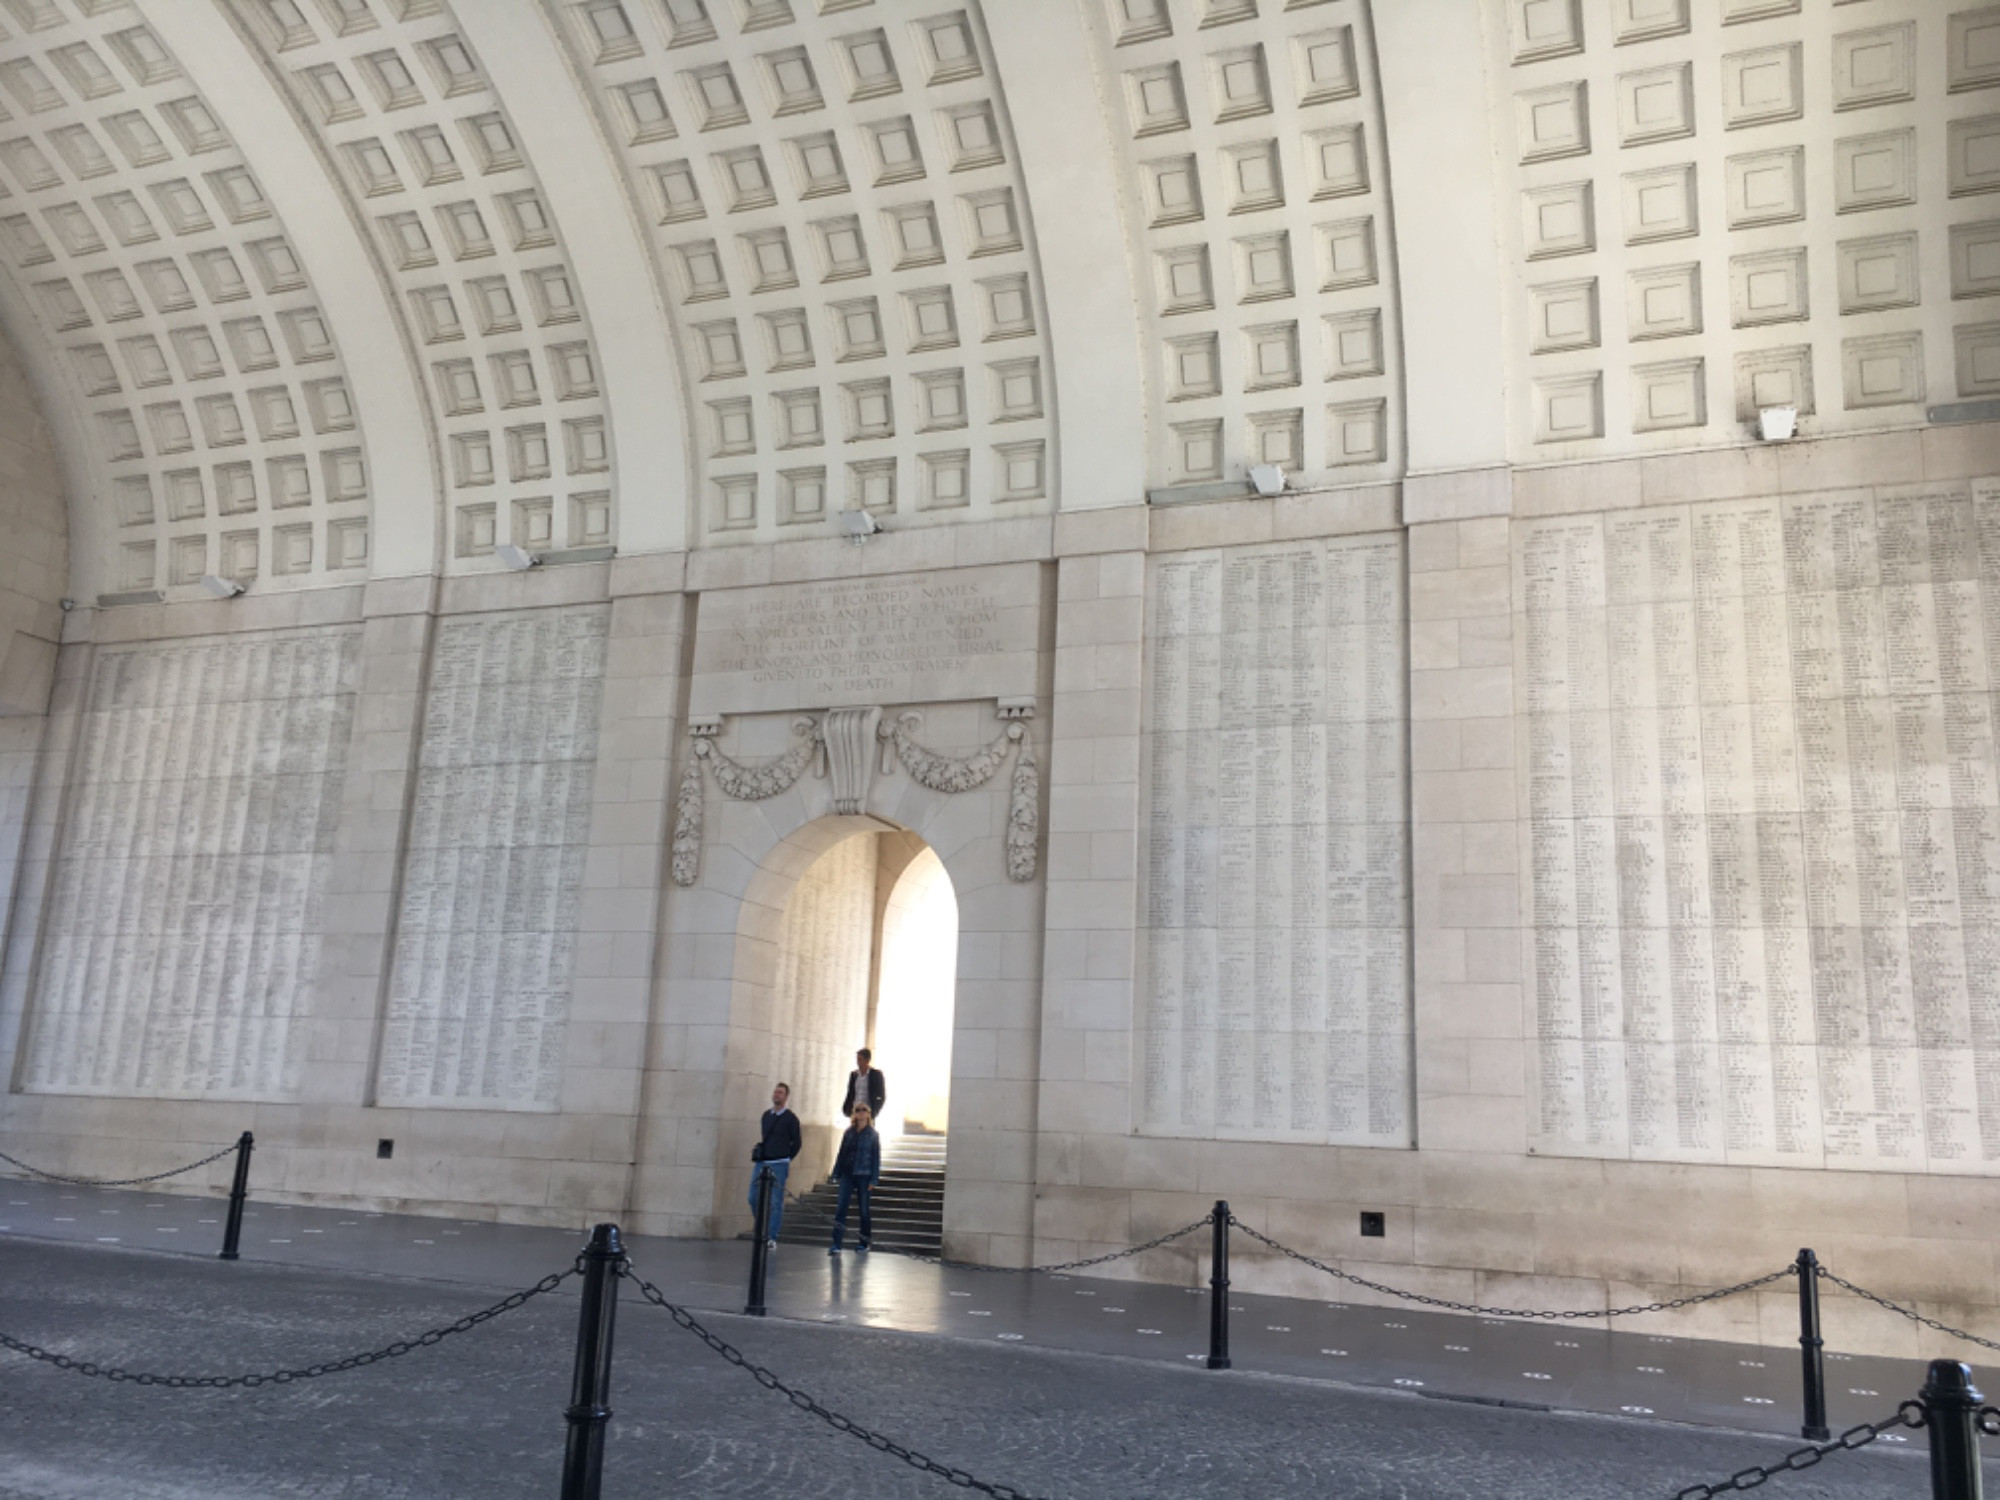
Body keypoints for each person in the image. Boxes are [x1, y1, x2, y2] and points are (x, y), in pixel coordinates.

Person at [750, 1081, 801, 1247]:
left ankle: (772, 1236)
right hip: (763, 1161)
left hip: (779, 1163)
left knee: (775, 1201)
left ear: (786, 1097)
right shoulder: (766, 1116)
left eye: (780, 1093)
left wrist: (786, 1157)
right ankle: (762, 1226)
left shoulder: (791, 1119)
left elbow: (797, 1142)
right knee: (752, 1197)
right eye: (775, 1092)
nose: (776, 1095)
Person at [828, 1104, 880, 1256]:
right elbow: (841, 1153)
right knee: (841, 1209)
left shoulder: (873, 1135)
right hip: (847, 1173)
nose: (861, 1113)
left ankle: (864, 1242)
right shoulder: (849, 1132)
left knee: (864, 1210)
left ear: (869, 1114)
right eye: (858, 1110)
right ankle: (836, 1243)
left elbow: (876, 1158)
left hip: (864, 1175)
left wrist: (874, 1180)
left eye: (864, 1110)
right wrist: (836, 1173)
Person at [841, 1047, 886, 1124]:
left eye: (860, 1059)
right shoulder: (854, 1075)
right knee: (854, 1133)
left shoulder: (876, 1075)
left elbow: (881, 1095)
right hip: (855, 1111)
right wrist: (846, 1109)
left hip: (868, 1112)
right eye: (857, 1059)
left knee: (867, 1134)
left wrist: (874, 1112)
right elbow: (850, 1093)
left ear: (867, 1060)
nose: (858, 1062)